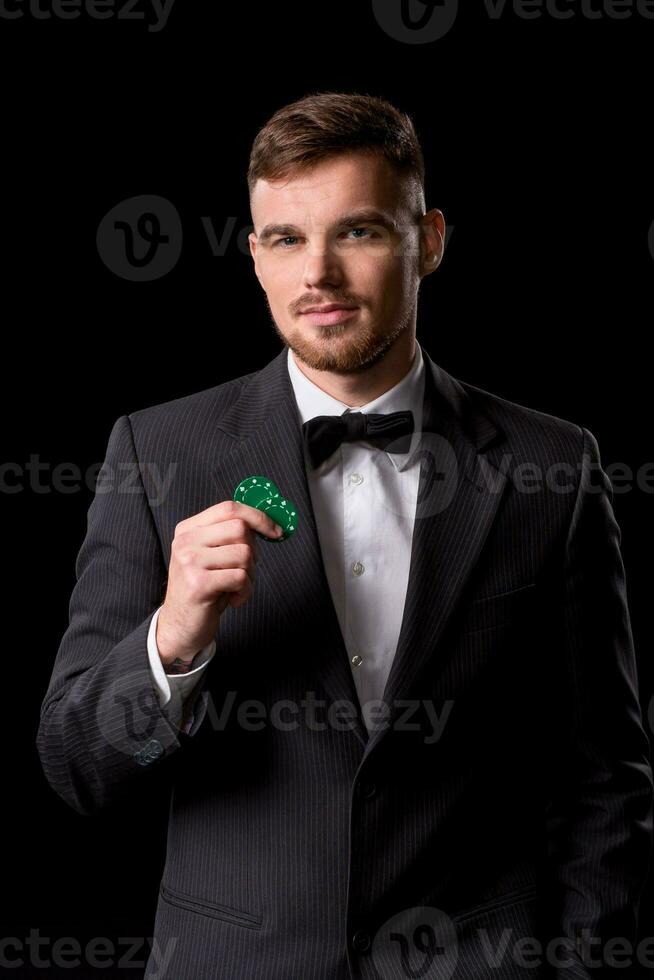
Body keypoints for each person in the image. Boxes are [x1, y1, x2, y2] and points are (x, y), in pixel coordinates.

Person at [36, 91, 653, 980]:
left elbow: (606, 775)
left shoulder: (551, 466)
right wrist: (169, 643)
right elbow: (79, 770)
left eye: (358, 232)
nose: (317, 272)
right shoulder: (154, 452)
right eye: (286, 239)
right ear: (253, 257)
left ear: (429, 241)